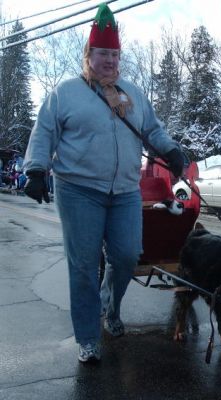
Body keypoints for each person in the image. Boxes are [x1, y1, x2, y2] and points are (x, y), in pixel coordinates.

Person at [23, 4, 185, 363]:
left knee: (127, 256)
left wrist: (171, 150)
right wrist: (35, 169)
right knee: (83, 264)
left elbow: (151, 130)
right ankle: (88, 337)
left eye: (114, 54)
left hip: (125, 191)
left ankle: (110, 307)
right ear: (89, 55)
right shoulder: (65, 93)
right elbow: (45, 130)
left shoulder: (133, 93)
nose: (110, 60)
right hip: (78, 190)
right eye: (103, 53)